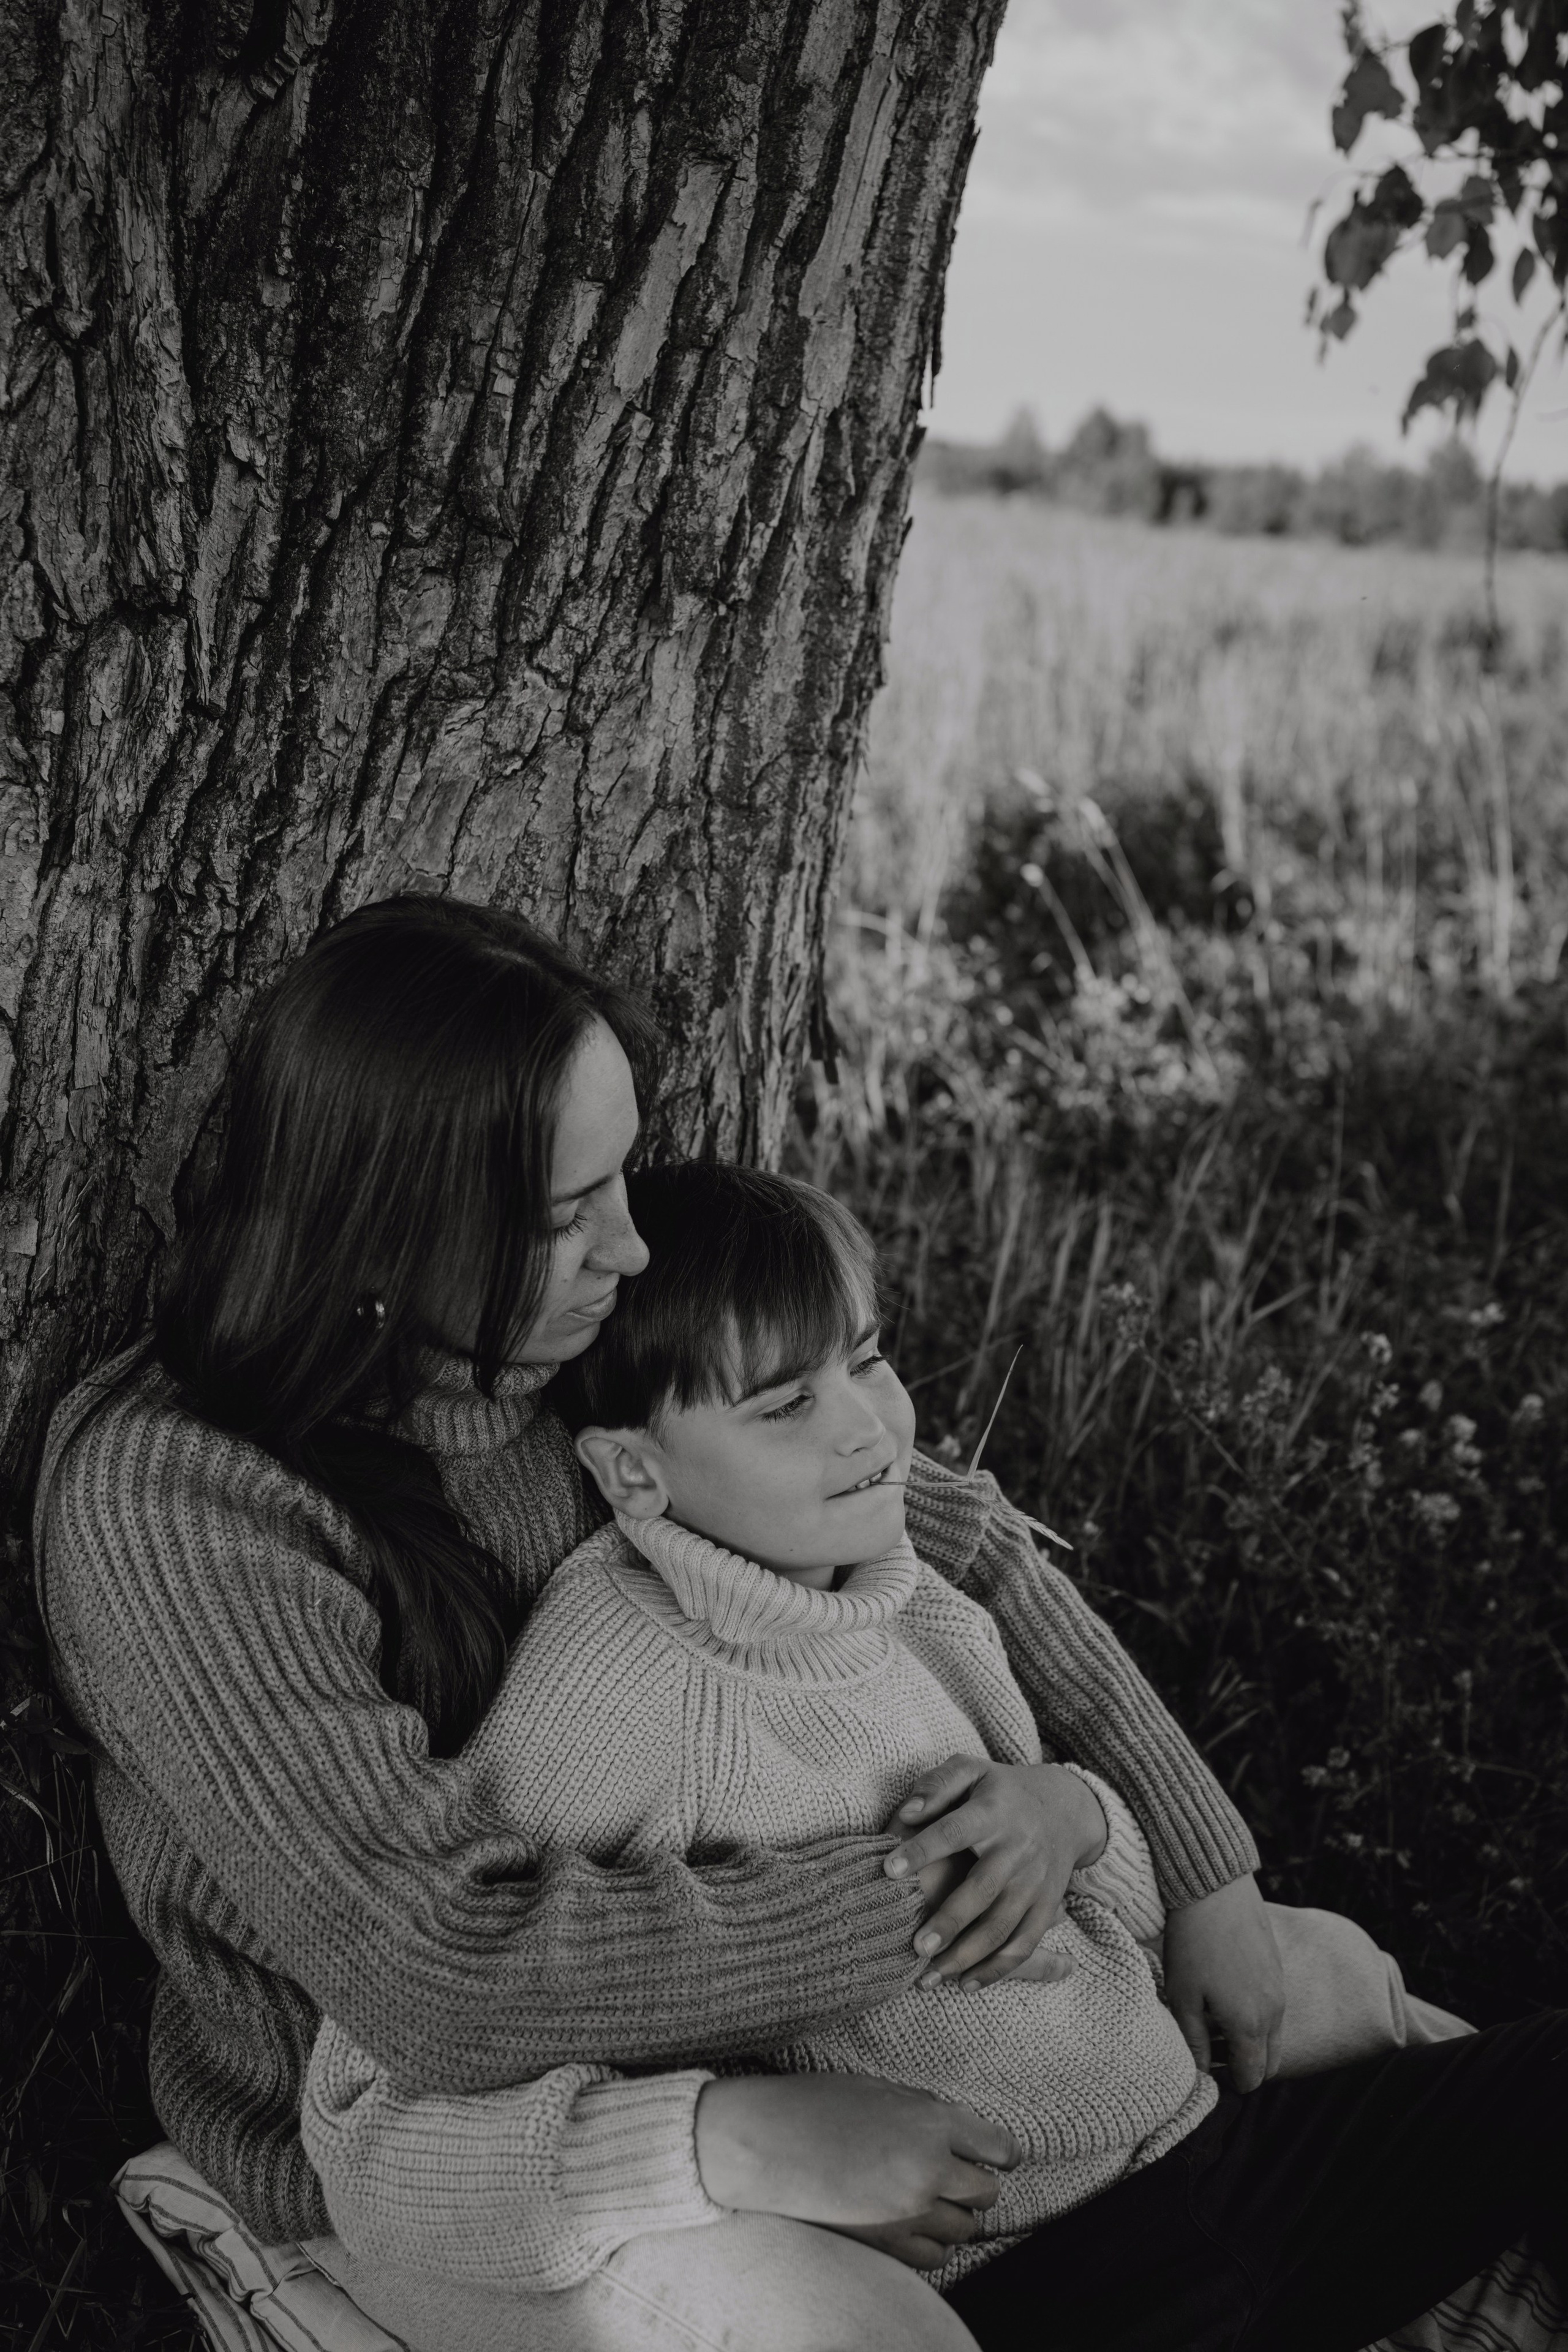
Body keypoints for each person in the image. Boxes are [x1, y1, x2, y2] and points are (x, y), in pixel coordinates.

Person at [36, 897, 1291, 2352]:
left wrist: (1187, 1862)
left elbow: (955, 1533)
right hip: (435, 2158)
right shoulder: (180, 1503)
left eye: (617, 1178)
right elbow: (441, 1968)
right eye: (562, 1213)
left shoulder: (540, 1347)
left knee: (1316, 1999)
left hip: (773, 2021)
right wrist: (945, 1887)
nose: (628, 1249)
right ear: (384, 1219)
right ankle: (294, 2306)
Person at [301, 1162, 1561, 2352]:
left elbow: (1094, 1920)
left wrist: (1078, 1814)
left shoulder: (910, 1601)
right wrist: (702, 2139)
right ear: (630, 1470)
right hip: (1043, 2275)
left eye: (867, 1360)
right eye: (785, 1403)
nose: (869, 1430)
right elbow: (387, 2093)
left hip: (1206, 2160)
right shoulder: (619, 1685)